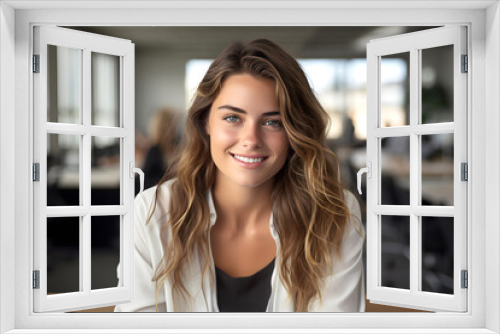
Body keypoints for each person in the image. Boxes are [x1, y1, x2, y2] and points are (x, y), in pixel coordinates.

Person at [115, 39, 365, 313]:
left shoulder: (333, 215)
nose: (251, 140)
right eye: (233, 118)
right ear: (205, 122)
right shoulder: (152, 212)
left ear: (295, 132)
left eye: (273, 122)